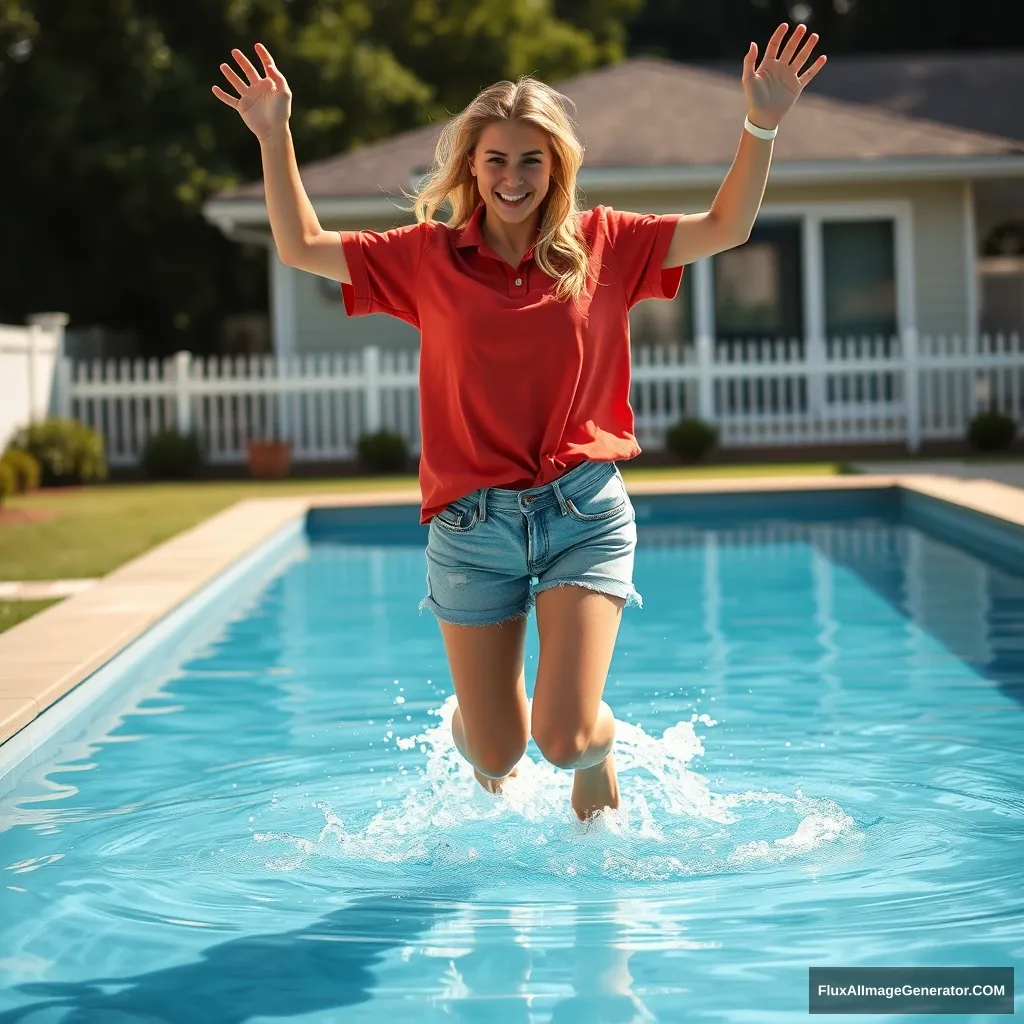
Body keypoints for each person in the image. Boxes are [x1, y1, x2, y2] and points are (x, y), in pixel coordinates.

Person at [213, 24, 826, 821]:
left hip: (582, 512)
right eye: (496, 159)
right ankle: (487, 718)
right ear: (472, 164)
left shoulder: (605, 242)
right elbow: (299, 246)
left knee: (564, 739)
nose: (512, 177)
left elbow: (726, 228)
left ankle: (596, 752)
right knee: (497, 752)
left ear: (556, 167)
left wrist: (762, 124)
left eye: (531, 160)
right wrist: (274, 132)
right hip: (471, 525)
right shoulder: (427, 257)